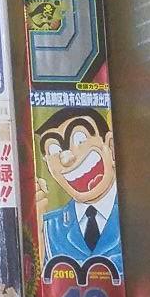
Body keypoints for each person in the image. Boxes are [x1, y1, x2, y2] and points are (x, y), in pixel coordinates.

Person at [35, 106, 122, 270]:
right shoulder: (48, 228)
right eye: (55, 150)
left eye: (80, 140)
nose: (66, 159)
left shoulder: (135, 214)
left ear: (110, 147)